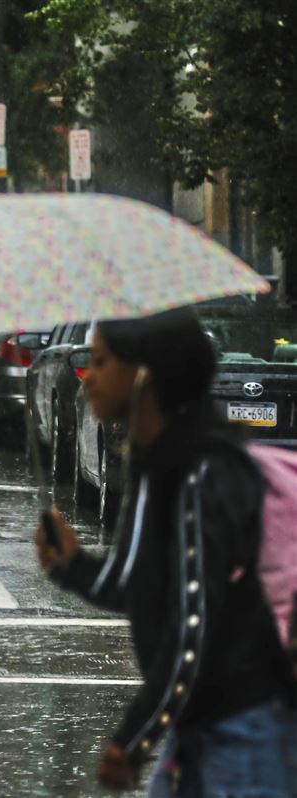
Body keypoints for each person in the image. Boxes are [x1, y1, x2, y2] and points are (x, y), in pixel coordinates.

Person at [34, 308, 295, 796]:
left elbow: (192, 626)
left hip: (246, 729)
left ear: (142, 378)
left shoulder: (203, 475)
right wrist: (70, 566)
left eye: (103, 362)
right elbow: (135, 586)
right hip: (198, 725)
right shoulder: (155, 466)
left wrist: (135, 738)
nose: (88, 378)